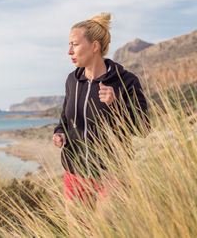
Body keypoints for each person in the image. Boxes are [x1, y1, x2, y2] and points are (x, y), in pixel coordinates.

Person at [52, 12, 149, 201]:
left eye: (75, 44)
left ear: (94, 46)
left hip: (113, 176)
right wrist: (59, 132)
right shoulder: (72, 80)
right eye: (69, 45)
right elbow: (65, 118)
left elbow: (144, 128)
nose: (69, 51)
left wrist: (116, 105)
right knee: (78, 232)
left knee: (103, 231)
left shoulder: (126, 81)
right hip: (74, 175)